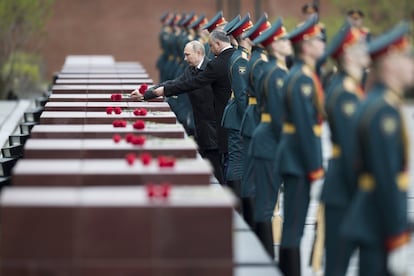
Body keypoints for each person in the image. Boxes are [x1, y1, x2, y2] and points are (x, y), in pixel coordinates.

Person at [341, 22, 413, 276]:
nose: (411, 65)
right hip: (379, 221)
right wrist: (397, 234)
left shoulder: (377, 102)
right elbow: (386, 176)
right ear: (390, 63)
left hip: (372, 215)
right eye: (406, 57)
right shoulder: (383, 111)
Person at [133, 30, 236, 181]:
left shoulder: (210, 68)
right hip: (202, 127)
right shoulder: (192, 70)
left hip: (214, 127)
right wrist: (148, 92)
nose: (185, 58)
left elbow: (186, 85)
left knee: (217, 170)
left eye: (188, 55)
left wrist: (159, 92)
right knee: (210, 168)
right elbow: (176, 82)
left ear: (199, 53)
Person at [275, 15, 326, 276]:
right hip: (297, 158)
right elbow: (307, 128)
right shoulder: (302, 79)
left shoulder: (301, 74)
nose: (322, 43)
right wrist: (316, 166)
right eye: (317, 39)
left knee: (293, 225)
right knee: (294, 226)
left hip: (293, 155)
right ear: (305, 46)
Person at [319, 22, 370, 276]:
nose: (367, 51)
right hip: (345, 188)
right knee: (338, 263)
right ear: (348, 54)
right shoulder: (346, 93)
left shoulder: (349, 87)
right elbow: (352, 150)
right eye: (360, 47)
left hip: (343, 185)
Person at [249, 17, 292, 259]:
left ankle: (263, 257)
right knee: (267, 203)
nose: (288, 43)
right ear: (274, 45)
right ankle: (263, 259)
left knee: (268, 201)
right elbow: (278, 117)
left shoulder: (276, 70)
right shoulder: (274, 74)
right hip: (269, 143)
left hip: (268, 140)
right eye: (283, 39)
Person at [238, 13, 271, 228]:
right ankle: (253, 224)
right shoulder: (259, 63)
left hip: (253, 118)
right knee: (253, 178)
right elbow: (262, 97)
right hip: (255, 120)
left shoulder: (257, 59)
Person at [221, 13, 252, 198]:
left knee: (238, 160)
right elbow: (241, 96)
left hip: (236, 116)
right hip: (238, 118)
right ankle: (235, 202)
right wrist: (247, 121)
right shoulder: (241, 59)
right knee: (237, 162)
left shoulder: (243, 56)